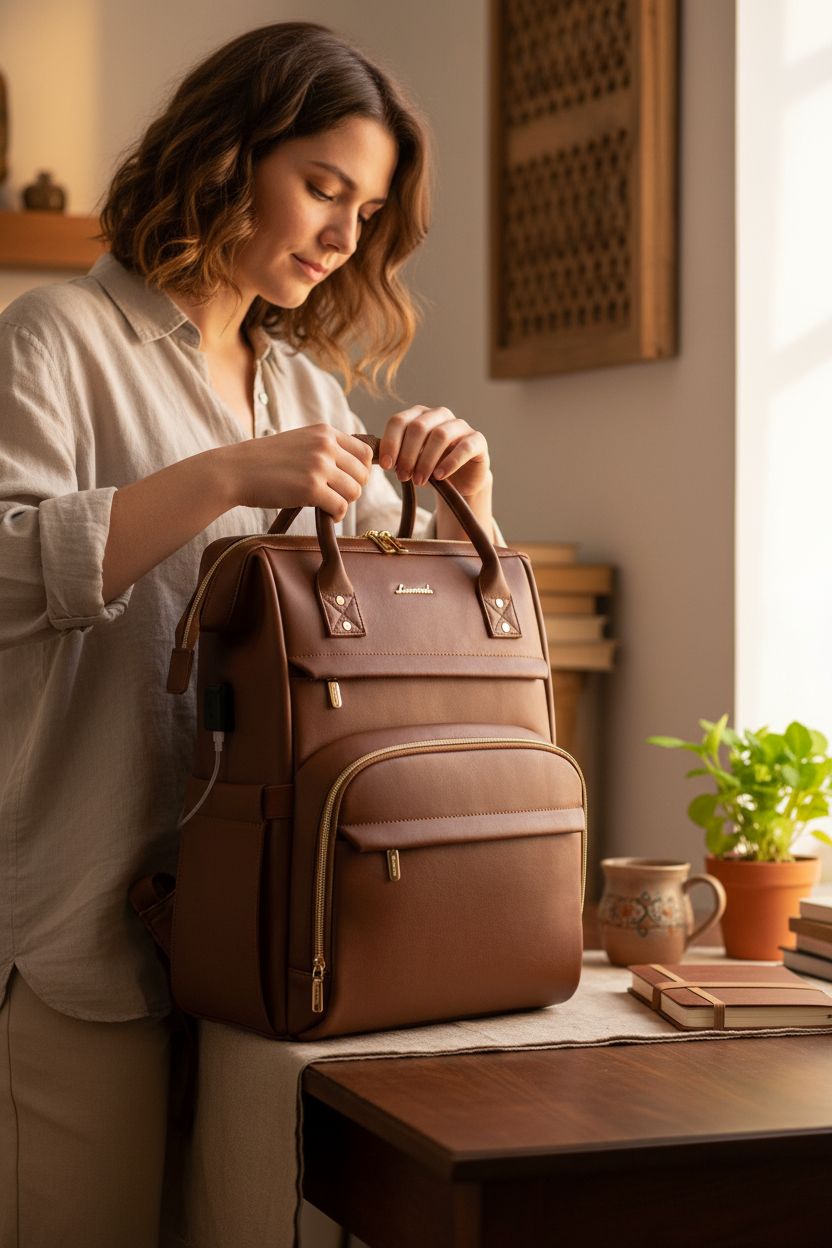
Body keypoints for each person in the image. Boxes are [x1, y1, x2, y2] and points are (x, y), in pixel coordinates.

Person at [0, 20, 500, 1248]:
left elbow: (404, 628)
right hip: (81, 923)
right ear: (226, 154)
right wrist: (223, 476)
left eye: (365, 210)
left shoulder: (304, 390)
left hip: (272, 938)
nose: (342, 237)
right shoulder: (55, 337)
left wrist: (465, 502)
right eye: (322, 186)